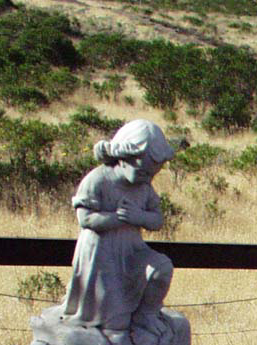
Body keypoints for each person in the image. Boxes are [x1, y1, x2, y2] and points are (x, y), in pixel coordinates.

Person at [62, 120, 176, 332]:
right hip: (101, 254)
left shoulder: (144, 187)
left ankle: (146, 314)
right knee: (114, 322)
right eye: (143, 172)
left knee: (161, 268)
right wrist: (120, 218)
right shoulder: (98, 180)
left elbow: (157, 220)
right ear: (123, 159)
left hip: (132, 250)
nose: (147, 179)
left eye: (152, 174)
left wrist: (138, 216)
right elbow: (85, 219)